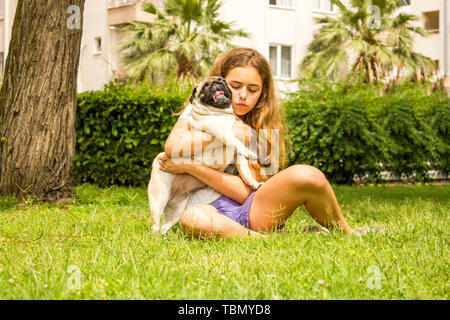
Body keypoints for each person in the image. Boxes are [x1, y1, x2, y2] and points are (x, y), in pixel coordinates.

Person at [158, 47, 356, 239]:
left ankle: (348, 232)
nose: (243, 95)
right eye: (235, 86)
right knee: (194, 219)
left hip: (252, 209)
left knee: (308, 175)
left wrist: (190, 166)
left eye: (253, 89)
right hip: (206, 210)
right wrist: (229, 134)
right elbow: (172, 147)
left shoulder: (266, 126)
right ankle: (265, 238)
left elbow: (245, 192)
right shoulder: (198, 109)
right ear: (219, 82)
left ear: (262, 92)